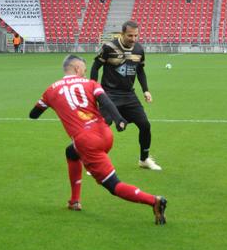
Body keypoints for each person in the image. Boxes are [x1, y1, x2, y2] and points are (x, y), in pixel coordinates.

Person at [29, 55, 167, 225]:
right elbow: (106, 101)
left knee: (113, 186)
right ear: (78, 69)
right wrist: (119, 119)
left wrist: (54, 105)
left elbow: (33, 115)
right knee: (71, 152)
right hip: (105, 134)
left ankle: (154, 201)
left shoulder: (51, 90)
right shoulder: (91, 84)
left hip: (87, 142)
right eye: (84, 71)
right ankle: (74, 201)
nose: (84, 74)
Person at [90, 21, 161, 171]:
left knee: (145, 125)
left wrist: (145, 90)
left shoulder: (139, 49)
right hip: (109, 94)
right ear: (122, 33)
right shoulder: (109, 47)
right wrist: (93, 88)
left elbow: (140, 70)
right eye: (130, 35)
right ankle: (95, 162)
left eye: (136, 35)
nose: (133, 38)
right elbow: (96, 67)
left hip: (129, 95)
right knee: (102, 127)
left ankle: (144, 159)